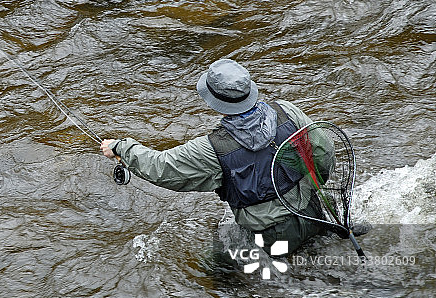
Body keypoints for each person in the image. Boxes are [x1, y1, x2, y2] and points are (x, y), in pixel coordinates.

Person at [100, 58, 329, 254]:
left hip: (273, 237)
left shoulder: (211, 149)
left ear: (214, 101)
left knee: (214, 266)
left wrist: (121, 147)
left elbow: (161, 168)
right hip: (316, 213)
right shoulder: (288, 111)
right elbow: (324, 154)